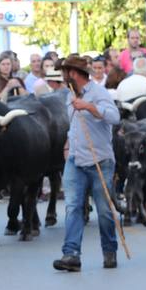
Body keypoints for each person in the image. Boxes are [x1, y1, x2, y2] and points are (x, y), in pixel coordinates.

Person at [54, 54, 121, 272]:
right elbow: (75, 125)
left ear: (73, 73)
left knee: (103, 210)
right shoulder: (69, 95)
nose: (63, 76)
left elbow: (114, 116)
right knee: (72, 206)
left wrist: (90, 107)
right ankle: (71, 254)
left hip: (100, 159)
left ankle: (109, 250)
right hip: (75, 159)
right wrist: (67, 145)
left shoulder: (98, 92)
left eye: (65, 73)